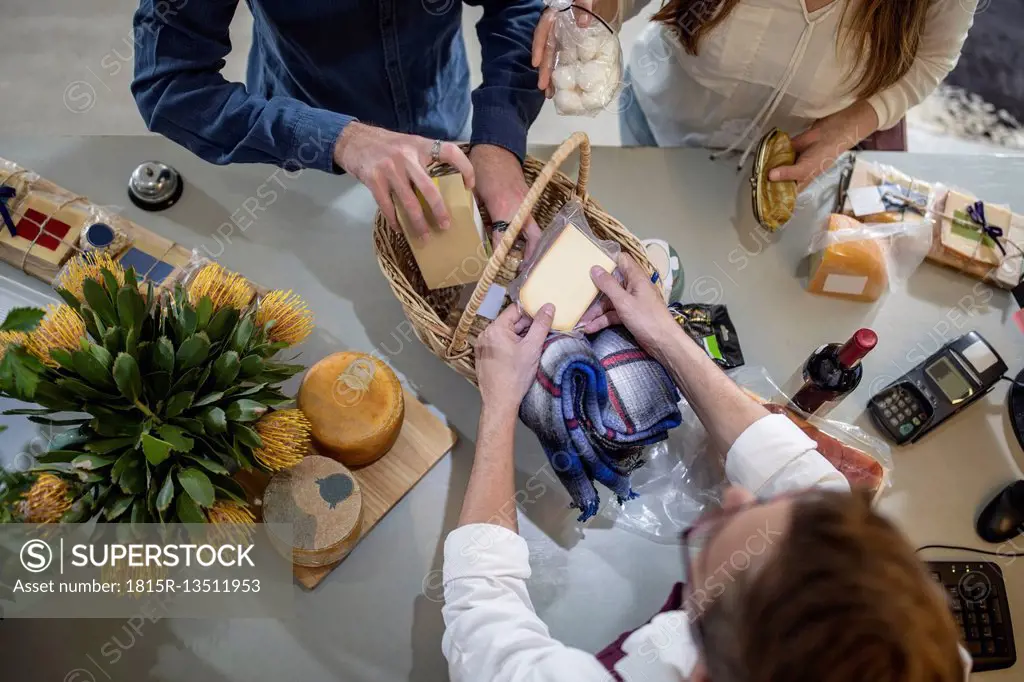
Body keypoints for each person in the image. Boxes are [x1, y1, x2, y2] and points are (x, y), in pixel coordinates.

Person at [441, 253, 968, 681]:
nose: (738, 496)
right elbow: (805, 480)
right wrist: (663, 334)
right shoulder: (919, 659)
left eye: (712, 540)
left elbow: (480, 615)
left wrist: (500, 403)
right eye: (772, 505)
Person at [131, 0, 545, 241]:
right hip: (299, 143)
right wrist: (338, 140)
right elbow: (169, 84)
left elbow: (514, 6)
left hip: (441, 112)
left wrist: (499, 140)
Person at [533, 0, 977, 191]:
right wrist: (590, 10)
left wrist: (854, 123)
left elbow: (932, 59)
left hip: (787, 166)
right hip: (663, 123)